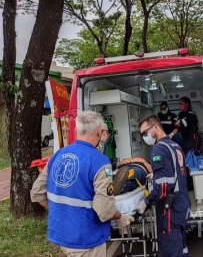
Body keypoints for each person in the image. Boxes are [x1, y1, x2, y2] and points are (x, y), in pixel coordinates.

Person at [30, 110, 134, 256]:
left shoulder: (57, 156)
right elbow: (105, 211)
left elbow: (37, 194)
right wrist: (119, 217)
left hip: (61, 234)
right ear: (99, 131)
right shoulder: (100, 162)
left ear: (75, 130)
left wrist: (63, 213)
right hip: (86, 240)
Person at [135, 115, 191, 257]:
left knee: (170, 249)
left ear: (156, 127)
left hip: (170, 208)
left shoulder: (158, 149)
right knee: (181, 246)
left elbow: (163, 187)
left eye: (145, 133)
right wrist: (157, 176)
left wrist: (146, 202)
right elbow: (181, 172)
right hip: (183, 203)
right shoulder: (174, 146)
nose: (144, 137)